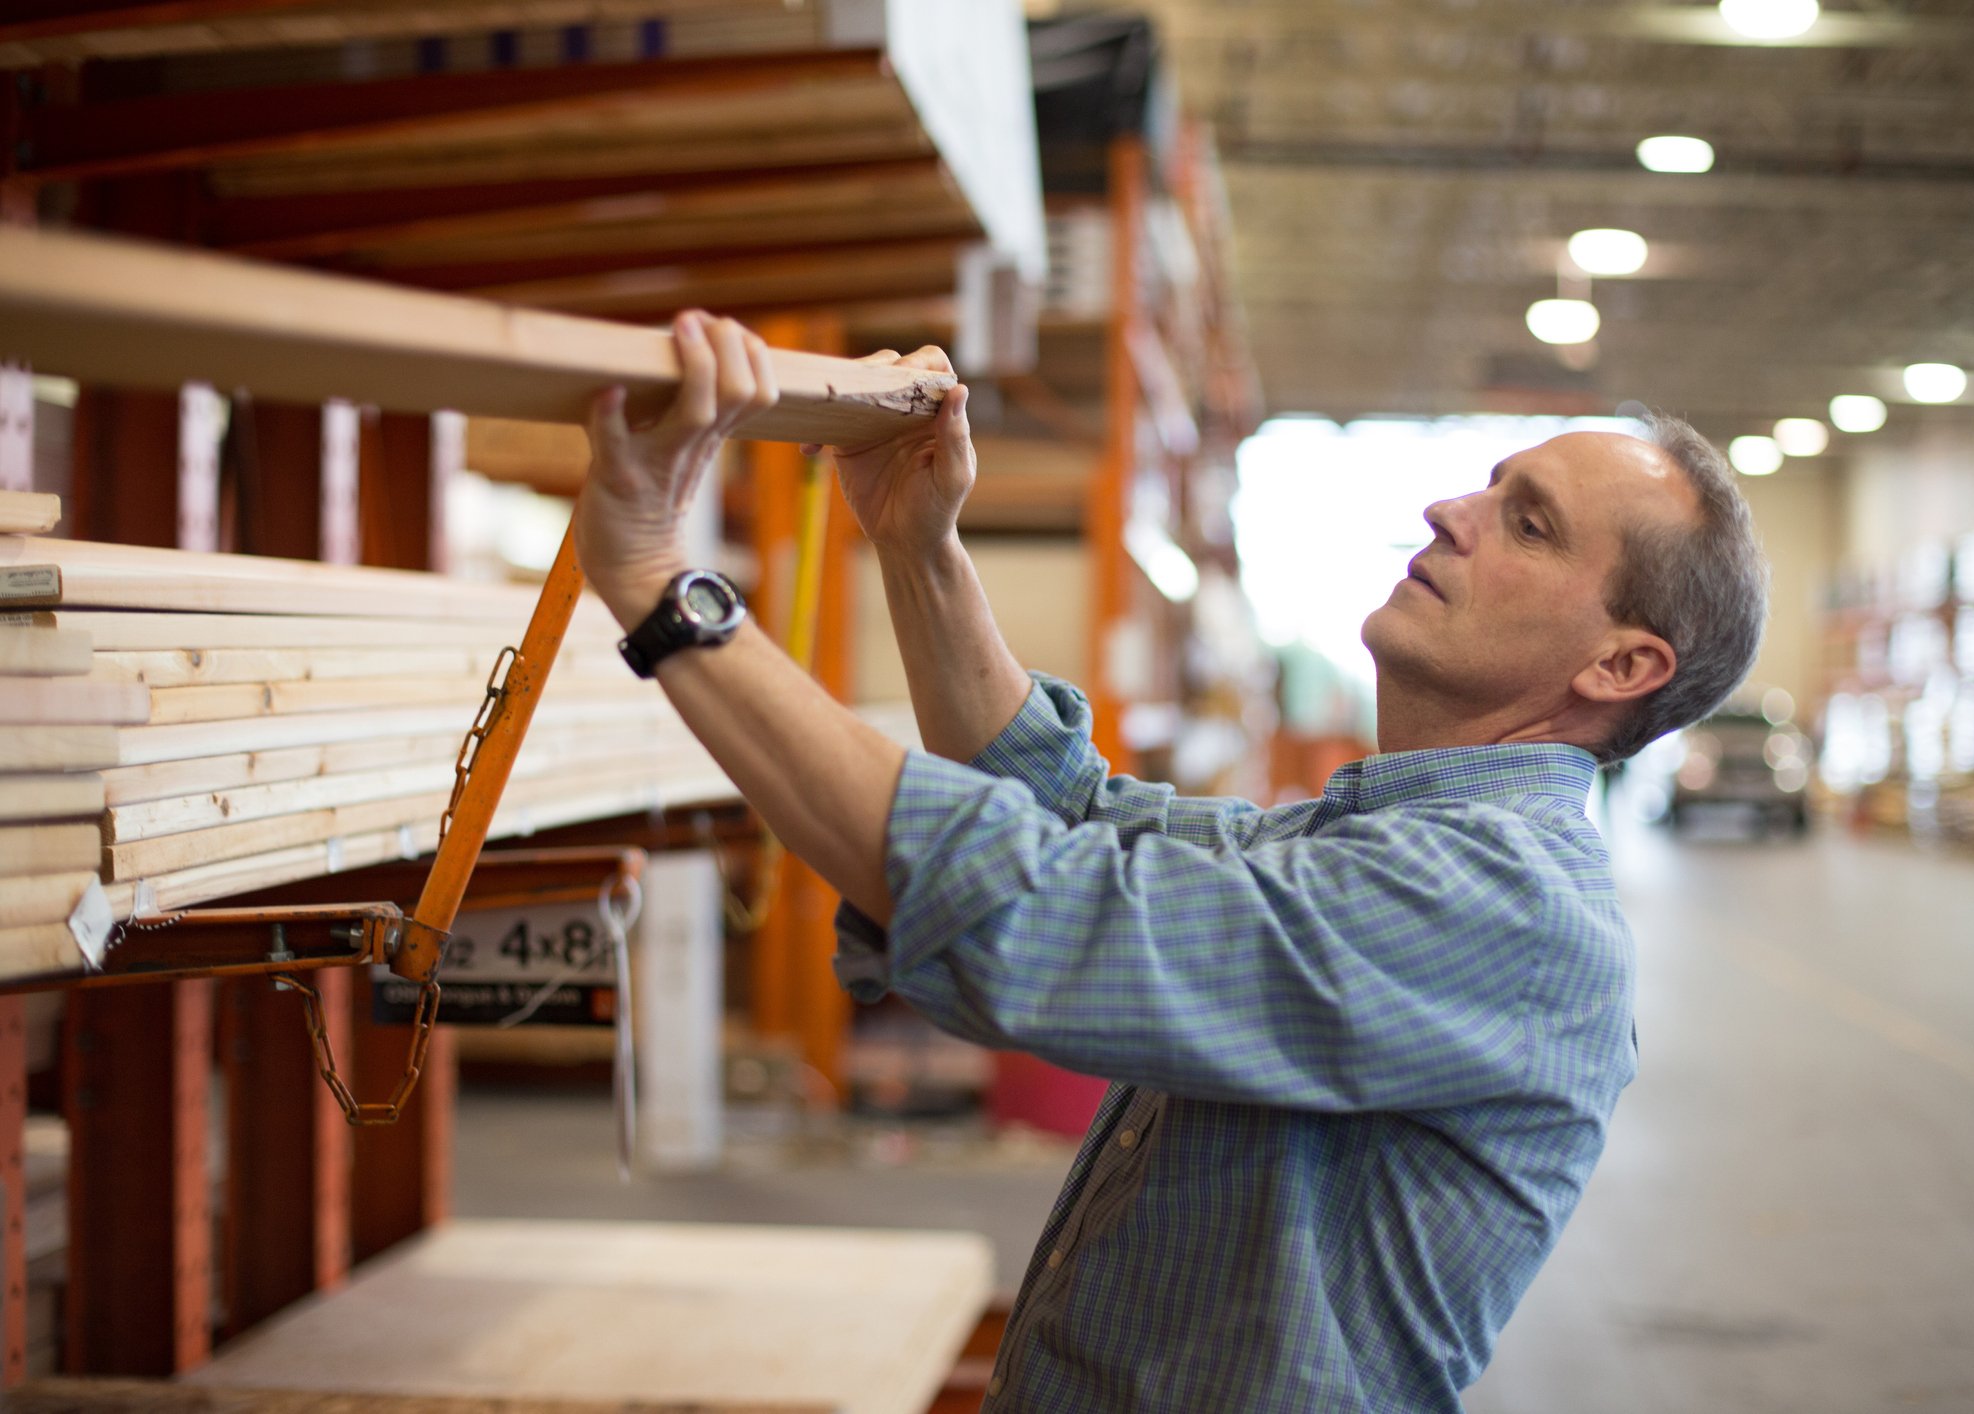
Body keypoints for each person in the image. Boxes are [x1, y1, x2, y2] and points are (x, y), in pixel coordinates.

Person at [573, 311, 1771, 1413]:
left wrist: (660, 587)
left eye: (1530, 522)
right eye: (1493, 484)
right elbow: (1069, 813)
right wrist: (916, 542)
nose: (1454, 510)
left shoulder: (1506, 909)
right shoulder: (1370, 839)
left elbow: (1044, 906)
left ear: (1622, 667)